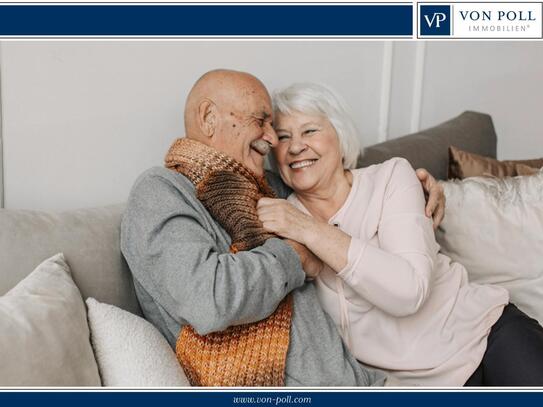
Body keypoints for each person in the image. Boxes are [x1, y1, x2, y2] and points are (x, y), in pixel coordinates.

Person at [121, 70, 445, 387]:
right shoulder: (161, 192)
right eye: (261, 121)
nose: (273, 139)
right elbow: (209, 299)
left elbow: (336, 180)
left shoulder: (268, 185)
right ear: (208, 117)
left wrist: (426, 188)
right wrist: (296, 257)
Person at [256, 82, 543, 386]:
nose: (296, 146)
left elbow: (409, 292)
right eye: (283, 137)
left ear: (340, 137)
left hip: (485, 335)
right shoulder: (280, 215)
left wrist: (310, 230)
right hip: (419, 386)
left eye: (309, 131)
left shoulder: (390, 177)